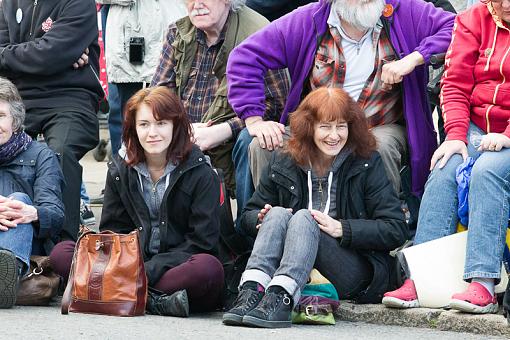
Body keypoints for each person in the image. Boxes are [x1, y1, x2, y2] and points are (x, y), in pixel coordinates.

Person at [226, 0, 455, 208]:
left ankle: (374, 237)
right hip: (319, 127)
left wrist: (414, 58)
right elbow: (245, 56)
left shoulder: (405, 11)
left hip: (380, 125)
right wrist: (254, 119)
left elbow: (456, 27)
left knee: (379, 148)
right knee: (263, 145)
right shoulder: (309, 19)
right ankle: (276, 225)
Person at [222, 87, 408, 328]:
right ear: (309, 127)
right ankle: (252, 291)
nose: (334, 135)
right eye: (325, 127)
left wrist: (343, 228)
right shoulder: (285, 160)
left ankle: (282, 296)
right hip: (287, 259)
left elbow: (395, 229)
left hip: (346, 266)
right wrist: (259, 218)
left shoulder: (366, 162)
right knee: (277, 213)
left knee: (303, 218)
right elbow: (246, 216)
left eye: (341, 126)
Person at [50, 86, 224, 317]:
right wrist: (128, 267)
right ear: (134, 128)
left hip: (173, 266)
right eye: (144, 124)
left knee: (208, 269)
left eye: (161, 123)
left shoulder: (200, 171)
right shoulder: (120, 168)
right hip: (129, 265)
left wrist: (147, 270)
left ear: (175, 125)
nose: (152, 132)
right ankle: (155, 300)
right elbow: (113, 230)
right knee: (61, 253)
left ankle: (112, 294)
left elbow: (202, 242)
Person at [383, 0, 510, 314]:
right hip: (474, 126)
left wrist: (507, 136)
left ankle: (483, 282)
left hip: (506, 133)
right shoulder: (473, 19)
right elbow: (454, 83)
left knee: (487, 171)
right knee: (445, 166)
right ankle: (422, 278)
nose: (504, 3)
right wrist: (454, 134)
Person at [151, 0, 288, 203]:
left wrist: (223, 130)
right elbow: (158, 95)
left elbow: (278, 106)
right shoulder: (177, 32)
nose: (196, 4)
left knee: (253, 140)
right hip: (186, 131)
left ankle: (246, 226)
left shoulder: (258, 33)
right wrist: (181, 127)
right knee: (140, 132)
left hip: (232, 138)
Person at [0, 0, 104, 242]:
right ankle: (13, 226)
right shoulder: (9, 3)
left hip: (71, 95)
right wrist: (46, 55)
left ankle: (62, 247)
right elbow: (47, 54)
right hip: (19, 94)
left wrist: (46, 55)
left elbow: (49, 54)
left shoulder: (78, 3)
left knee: (61, 151)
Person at [0, 77, 65, 308]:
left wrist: (31, 213)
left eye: (0, 116)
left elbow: (56, 214)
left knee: (17, 202)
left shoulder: (41, 156)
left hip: (25, 247)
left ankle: (5, 277)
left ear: (15, 122)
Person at [97, 0, 187, 157]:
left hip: (173, 23)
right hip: (129, 33)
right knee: (127, 116)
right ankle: (125, 170)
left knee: (173, 111)